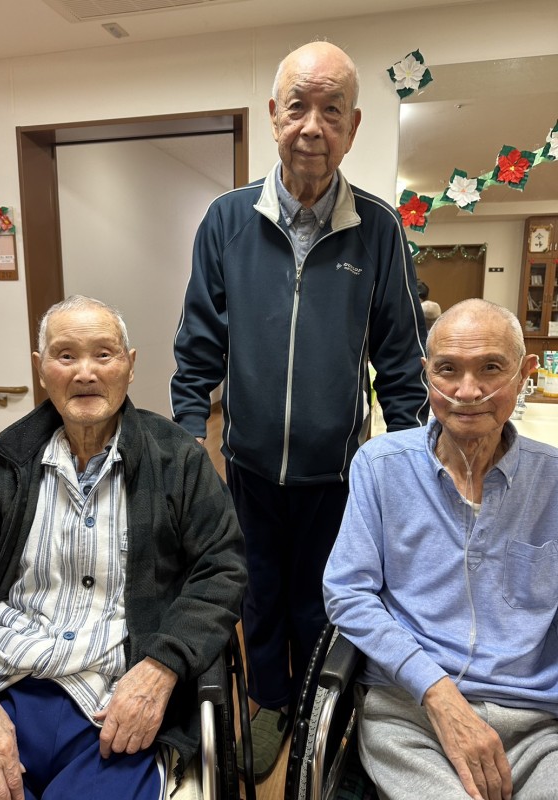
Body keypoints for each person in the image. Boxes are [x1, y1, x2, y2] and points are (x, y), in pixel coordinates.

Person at [170, 40, 429, 779]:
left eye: (331, 110)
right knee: (256, 594)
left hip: (338, 475)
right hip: (248, 467)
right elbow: (196, 348)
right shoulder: (226, 220)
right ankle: (272, 703)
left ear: (353, 127)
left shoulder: (379, 229)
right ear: (273, 116)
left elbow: (402, 365)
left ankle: (318, 707)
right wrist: (190, 449)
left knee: (326, 601)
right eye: (298, 107)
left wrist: (411, 470)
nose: (312, 126)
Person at [0, 295, 246, 800]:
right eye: (66, 355)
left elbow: (223, 568)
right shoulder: (0, 468)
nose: (85, 373)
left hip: (117, 703)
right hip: (5, 688)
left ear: (129, 366)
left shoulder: (177, 460)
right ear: (41, 368)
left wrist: (160, 666)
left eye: (104, 354)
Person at [324, 298, 558, 800]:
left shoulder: (553, 480)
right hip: (410, 711)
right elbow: (347, 592)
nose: (467, 392)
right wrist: (434, 688)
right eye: (448, 370)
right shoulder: (381, 467)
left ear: (525, 373)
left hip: (538, 726)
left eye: (490, 368)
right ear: (426, 374)